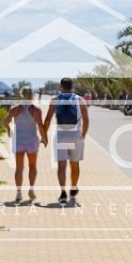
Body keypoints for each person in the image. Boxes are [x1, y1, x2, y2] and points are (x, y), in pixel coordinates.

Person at [43, 77, 88, 205]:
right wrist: (83, 135)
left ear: (61, 87)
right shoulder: (80, 100)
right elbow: (86, 119)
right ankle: (73, 188)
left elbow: (47, 120)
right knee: (75, 164)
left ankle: (63, 192)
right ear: (72, 86)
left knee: (61, 166)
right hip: (75, 134)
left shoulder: (55, 100)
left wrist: (44, 136)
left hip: (61, 135)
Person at [4, 87, 44, 204]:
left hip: (19, 141)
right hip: (32, 141)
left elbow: (5, 121)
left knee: (19, 168)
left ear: (21, 95)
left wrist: (8, 130)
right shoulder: (36, 110)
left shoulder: (15, 109)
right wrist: (44, 138)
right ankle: (31, 189)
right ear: (32, 96)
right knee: (32, 166)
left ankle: (18, 192)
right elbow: (40, 126)